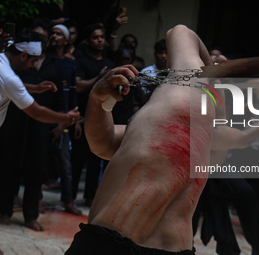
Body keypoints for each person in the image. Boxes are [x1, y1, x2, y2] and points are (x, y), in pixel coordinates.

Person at [66, 24, 215, 254]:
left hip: (118, 241)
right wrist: (97, 99)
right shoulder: (159, 126)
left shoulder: (184, 102)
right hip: (138, 244)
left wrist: (213, 69)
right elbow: (103, 143)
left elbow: (180, 32)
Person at [0, 29, 79, 231]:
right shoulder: (10, 76)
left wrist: (34, 88)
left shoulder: (1, 59)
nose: (32, 65)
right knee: (8, 169)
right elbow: (37, 112)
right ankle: (4, 213)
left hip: (37, 132)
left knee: (35, 168)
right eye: (31, 61)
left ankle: (29, 215)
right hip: (16, 124)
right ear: (24, 55)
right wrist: (68, 118)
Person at [72, 23, 115, 206]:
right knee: (78, 160)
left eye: (102, 37)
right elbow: (79, 86)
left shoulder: (109, 63)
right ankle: (70, 198)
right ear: (88, 40)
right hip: (82, 118)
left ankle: (90, 197)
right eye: (96, 37)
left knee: (96, 160)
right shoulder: (81, 61)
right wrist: (98, 78)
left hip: (102, 118)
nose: (100, 40)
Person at [48, 24, 82, 215]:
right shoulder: (44, 61)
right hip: (43, 115)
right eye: (53, 33)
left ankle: (68, 200)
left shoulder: (69, 64)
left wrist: (75, 120)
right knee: (41, 161)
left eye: (59, 34)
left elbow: (73, 94)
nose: (54, 36)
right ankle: (35, 200)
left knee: (65, 163)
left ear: (66, 40)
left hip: (65, 118)